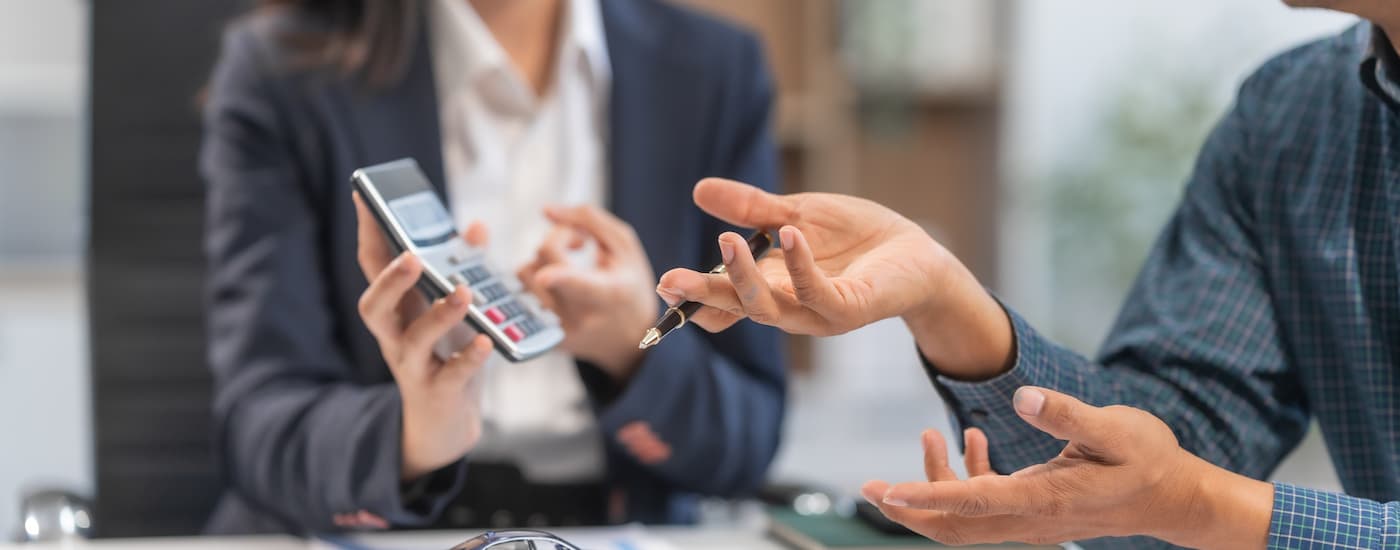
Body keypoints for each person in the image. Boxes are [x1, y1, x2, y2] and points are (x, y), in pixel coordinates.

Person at [656, 2, 1400, 548]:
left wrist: (1200, 504)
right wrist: (946, 300)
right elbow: (1174, 453)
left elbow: (1187, 492)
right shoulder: (1292, 114)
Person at [199, 0, 784, 533]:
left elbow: (750, 439)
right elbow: (258, 425)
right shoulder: (284, 69)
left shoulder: (715, 70)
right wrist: (412, 437)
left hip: (613, 523)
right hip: (376, 527)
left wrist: (636, 349)